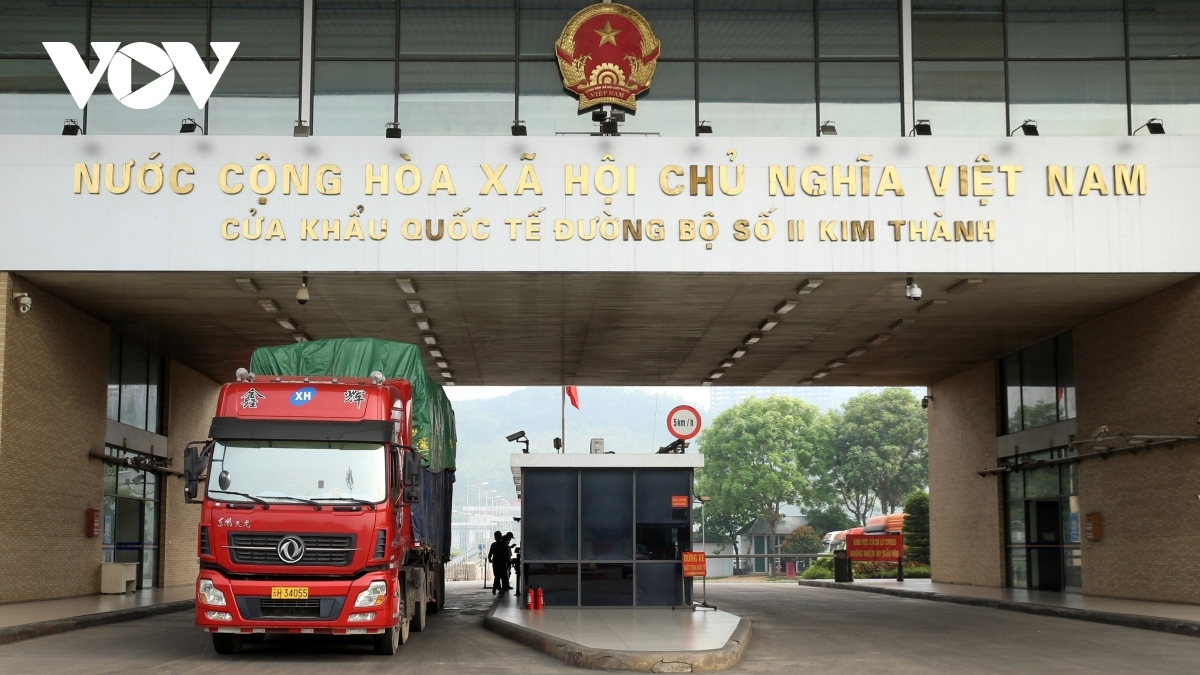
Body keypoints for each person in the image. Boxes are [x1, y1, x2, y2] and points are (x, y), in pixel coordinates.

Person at [487, 531, 510, 595]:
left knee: (497, 576)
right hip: (503, 562)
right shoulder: (504, 545)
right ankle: (502, 589)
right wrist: (508, 563)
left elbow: (490, 554)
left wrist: (490, 560)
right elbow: (507, 555)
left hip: (496, 562)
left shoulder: (493, 545)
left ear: (495, 537)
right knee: (503, 576)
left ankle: (496, 588)